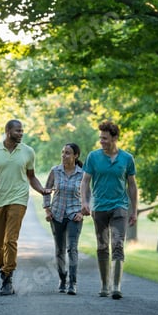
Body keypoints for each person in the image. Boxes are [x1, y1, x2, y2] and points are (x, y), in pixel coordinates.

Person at [0, 119, 52, 296]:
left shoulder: (28, 152)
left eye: (22, 131)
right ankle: (3, 265)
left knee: (10, 239)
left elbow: (31, 177)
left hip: (19, 198)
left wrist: (42, 190)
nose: (21, 134)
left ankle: (7, 277)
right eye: (17, 131)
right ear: (8, 131)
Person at [80, 121, 138, 300]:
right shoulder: (93, 157)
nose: (101, 141)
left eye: (105, 138)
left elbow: (132, 186)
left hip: (120, 206)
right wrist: (84, 202)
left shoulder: (127, 158)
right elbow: (85, 181)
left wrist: (134, 210)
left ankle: (116, 286)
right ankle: (104, 285)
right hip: (99, 208)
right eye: (100, 138)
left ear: (115, 138)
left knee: (118, 244)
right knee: (103, 246)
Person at [43, 143, 85, 295]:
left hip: (75, 215)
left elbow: (89, 196)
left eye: (67, 153)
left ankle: (73, 283)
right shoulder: (55, 171)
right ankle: (62, 279)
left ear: (75, 156)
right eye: (63, 152)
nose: (64, 155)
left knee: (72, 248)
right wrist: (47, 210)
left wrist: (82, 212)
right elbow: (46, 191)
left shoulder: (83, 174)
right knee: (60, 249)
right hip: (57, 215)